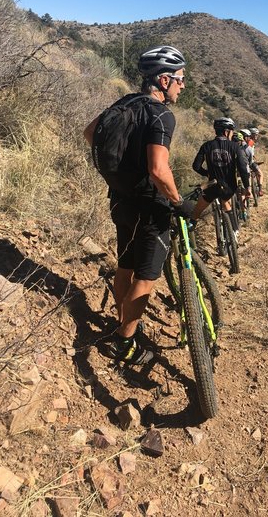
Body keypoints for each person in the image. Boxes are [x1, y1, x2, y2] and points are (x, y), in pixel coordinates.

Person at [83, 45, 194, 366]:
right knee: (145, 278)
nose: (182, 85)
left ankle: (123, 320)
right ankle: (124, 340)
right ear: (163, 80)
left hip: (120, 200)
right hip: (150, 208)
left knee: (125, 267)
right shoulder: (162, 115)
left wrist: (123, 168)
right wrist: (178, 202)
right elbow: (159, 169)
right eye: (180, 80)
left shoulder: (124, 102)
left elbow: (90, 133)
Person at [191, 117, 251, 231]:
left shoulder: (207, 146)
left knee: (197, 210)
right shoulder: (235, 147)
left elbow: (196, 166)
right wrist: (247, 187)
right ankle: (234, 232)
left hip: (212, 186)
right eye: (232, 131)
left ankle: (190, 228)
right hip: (229, 187)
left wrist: (207, 173)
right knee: (225, 202)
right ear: (227, 131)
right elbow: (243, 168)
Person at [246, 126, 264, 196]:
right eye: (255, 134)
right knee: (260, 174)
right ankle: (260, 190)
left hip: (248, 161)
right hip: (250, 162)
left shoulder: (248, 141)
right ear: (251, 135)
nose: (257, 136)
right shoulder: (250, 142)